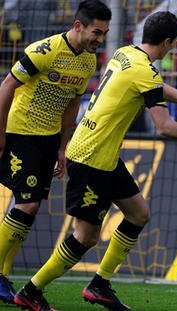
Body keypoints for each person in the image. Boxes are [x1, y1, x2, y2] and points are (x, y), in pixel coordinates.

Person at [13, 11, 177, 311]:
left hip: (104, 156)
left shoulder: (125, 54)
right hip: (90, 158)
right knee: (86, 237)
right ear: (168, 43)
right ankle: (31, 290)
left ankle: (100, 285)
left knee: (139, 213)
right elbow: (164, 125)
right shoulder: (146, 72)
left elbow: (153, 86)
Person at [0, 0, 111, 305]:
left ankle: (3, 276)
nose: (99, 40)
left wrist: (63, 146)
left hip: (48, 140)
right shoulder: (44, 50)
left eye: (104, 34)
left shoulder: (88, 61)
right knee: (27, 205)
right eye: (96, 32)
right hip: (20, 132)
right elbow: (7, 84)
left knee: (28, 209)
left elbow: (73, 104)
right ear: (78, 26)